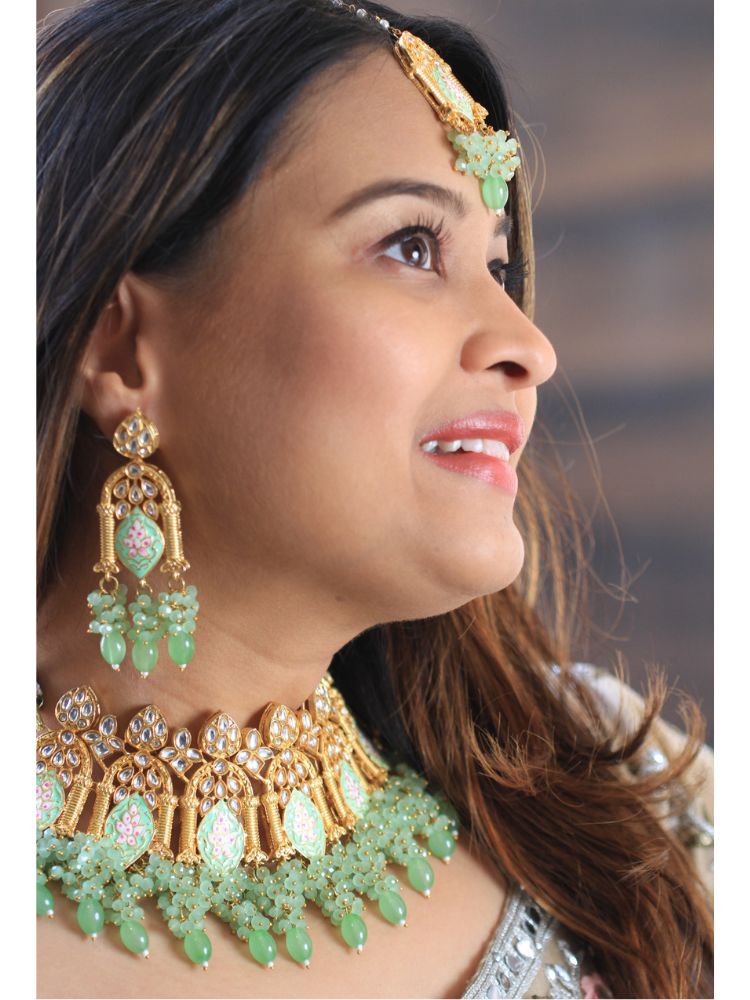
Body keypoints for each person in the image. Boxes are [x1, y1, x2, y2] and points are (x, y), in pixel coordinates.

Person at [36, 1, 713, 997]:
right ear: (126, 350)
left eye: (497, 267)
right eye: (410, 246)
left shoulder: (640, 814)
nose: (528, 344)